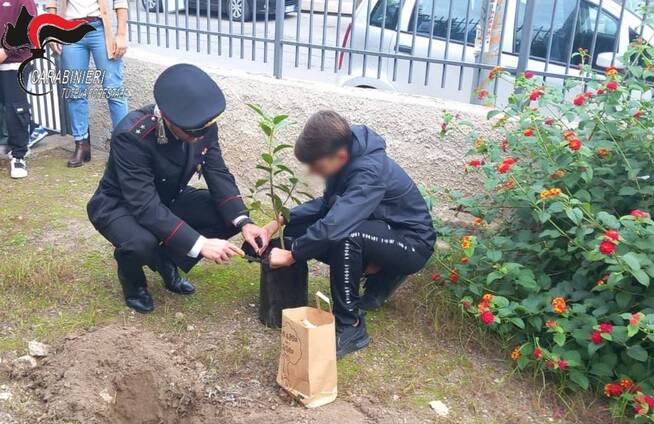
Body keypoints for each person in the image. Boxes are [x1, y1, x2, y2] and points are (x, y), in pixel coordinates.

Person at [87, 64, 270, 313]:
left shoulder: (200, 125)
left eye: (202, 130)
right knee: (142, 243)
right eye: (192, 132)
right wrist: (200, 244)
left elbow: (216, 171)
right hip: (120, 206)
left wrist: (243, 222)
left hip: (166, 199)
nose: (199, 137)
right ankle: (133, 280)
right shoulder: (131, 136)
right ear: (168, 118)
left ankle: (167, 261)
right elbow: (144, 205)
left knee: (224, 216)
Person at [266, 111, 436, 358]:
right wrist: (279, 221)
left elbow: (337, 224)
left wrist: (293, 254)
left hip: (411, 243)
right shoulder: (343, 154)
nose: (313, 171)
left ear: (340, 156)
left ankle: (350, 326)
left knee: (347, 234)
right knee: (297, 230)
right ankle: (380, 273)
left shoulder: (369, 172)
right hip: (381, 230)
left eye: (317, 166)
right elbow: (327, 206)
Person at [47, 0, 129, 167]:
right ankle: (81, 144)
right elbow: (52, 3)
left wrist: (121, 34)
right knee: (75, 90)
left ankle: (123, 148)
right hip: (69, 30)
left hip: (99, 29)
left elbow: (121, 2)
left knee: (114, 90)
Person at [0, 0, 36, 179]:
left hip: (15, 62)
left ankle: (19, 155)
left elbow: (28, 26)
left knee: (16, 109)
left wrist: (5, 51)